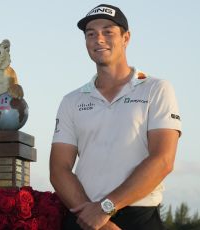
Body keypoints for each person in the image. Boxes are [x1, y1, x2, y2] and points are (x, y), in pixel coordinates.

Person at [49, 4, 181, 230]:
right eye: (91, 34)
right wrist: (93, 216)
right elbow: (59, 168)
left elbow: (163, 160)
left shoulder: (156, 89)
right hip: (83, 217)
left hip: (139, 217)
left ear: (126, 38)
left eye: (108, 32)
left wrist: (105, 209)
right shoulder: (72, 100)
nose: (98, 39)